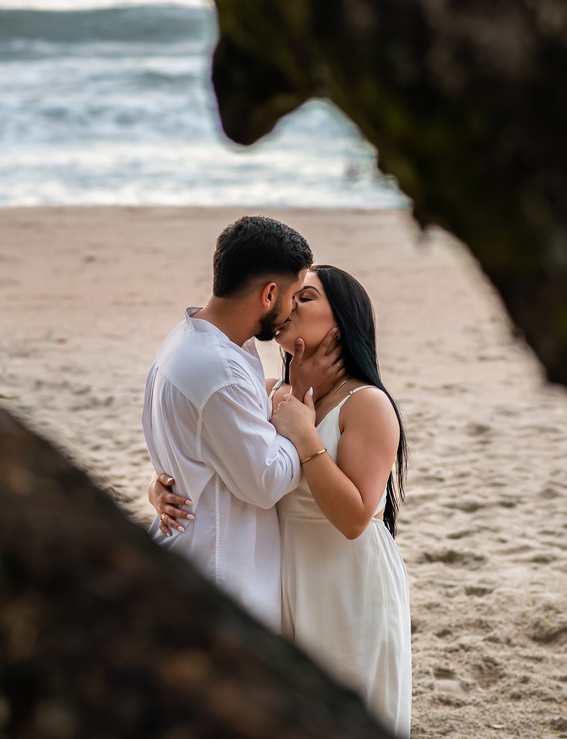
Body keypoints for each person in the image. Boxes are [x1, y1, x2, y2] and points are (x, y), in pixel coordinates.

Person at [152, 264, 411, 736]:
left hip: (346, 585)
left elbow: (355, 518)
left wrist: (305, 436)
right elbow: (229, 459)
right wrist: (164, 486)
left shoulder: (367, 405)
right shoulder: (271, 391)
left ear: (339, 323)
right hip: (284, 581)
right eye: (293, 295)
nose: (290, 305)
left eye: (306, 297)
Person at [141, 216, 344, 632]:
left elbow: (203, 441)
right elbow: (266, 481)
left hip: (201, 556)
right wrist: (299, 413)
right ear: (270, 294)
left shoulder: (189, 340)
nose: (291, 311)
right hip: (218, 576)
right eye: (293, 297)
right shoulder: (220, 370)